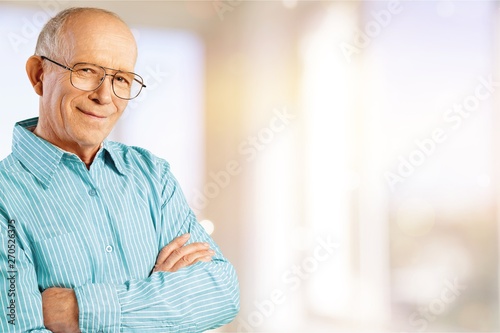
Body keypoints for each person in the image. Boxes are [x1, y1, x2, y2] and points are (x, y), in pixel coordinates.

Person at [0, 7, 239, 333]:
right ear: (38, 75)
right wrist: (160, 306)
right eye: (85, 70)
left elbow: (219, 293)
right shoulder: (4, 198)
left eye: (121, 79)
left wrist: (76, 310)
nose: (104, 95)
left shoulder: (153, 176)